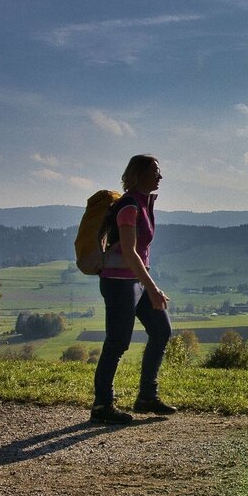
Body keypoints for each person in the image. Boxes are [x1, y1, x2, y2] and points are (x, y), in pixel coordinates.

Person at [90, 154, 176, 423]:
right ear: (138, 175)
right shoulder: (129, 205)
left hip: (136, 280)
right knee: (117, 342)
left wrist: (146, 284)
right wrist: (153, 288)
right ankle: (102, 405)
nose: (160, 176)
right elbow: (129, 252)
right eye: (155, 171)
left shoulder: (143, 203)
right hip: (119, 282)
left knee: (161, 330)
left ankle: (147, 397)